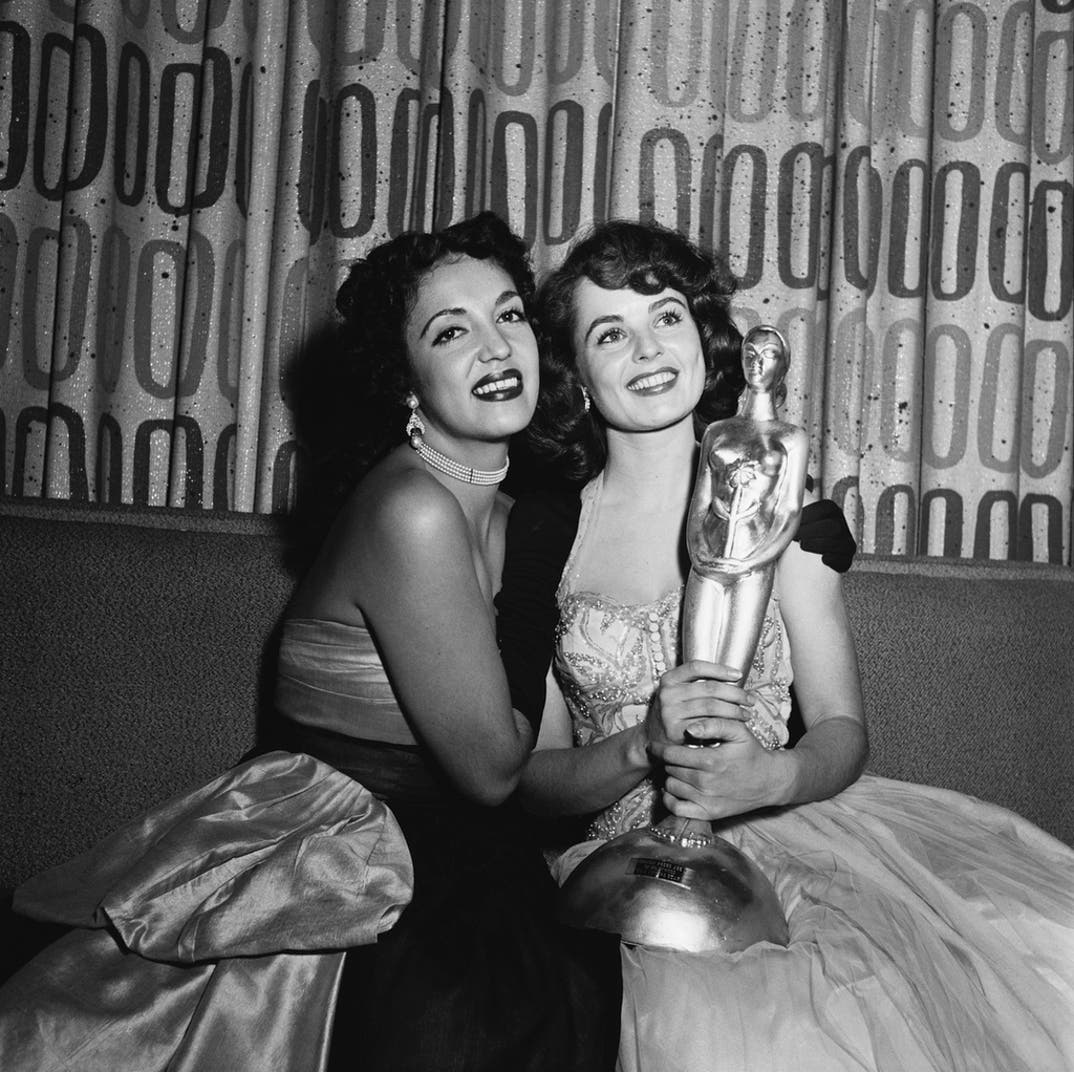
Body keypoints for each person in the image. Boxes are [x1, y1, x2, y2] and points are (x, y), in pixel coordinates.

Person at [0, 213, 620, 1072]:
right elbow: (491, 771)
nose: (494, 347)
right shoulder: (413, 510)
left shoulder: (512, 514)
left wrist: (650, 748)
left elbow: (540, 772)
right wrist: (537, 571)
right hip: (342, 846)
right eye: (452, 330)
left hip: (456, 843)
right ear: (405, 378)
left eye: (509, 314)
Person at [496, 219, 1074, 1071]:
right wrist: (639, 748)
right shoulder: (547, 533)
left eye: (666, 317)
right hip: (618, 874)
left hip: (801, 836)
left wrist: (774, 775)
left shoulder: (785, 502)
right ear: (575, 376)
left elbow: (842, 731)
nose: (647, 348)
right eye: (609, 332)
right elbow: (531, 781)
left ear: (704, 338)